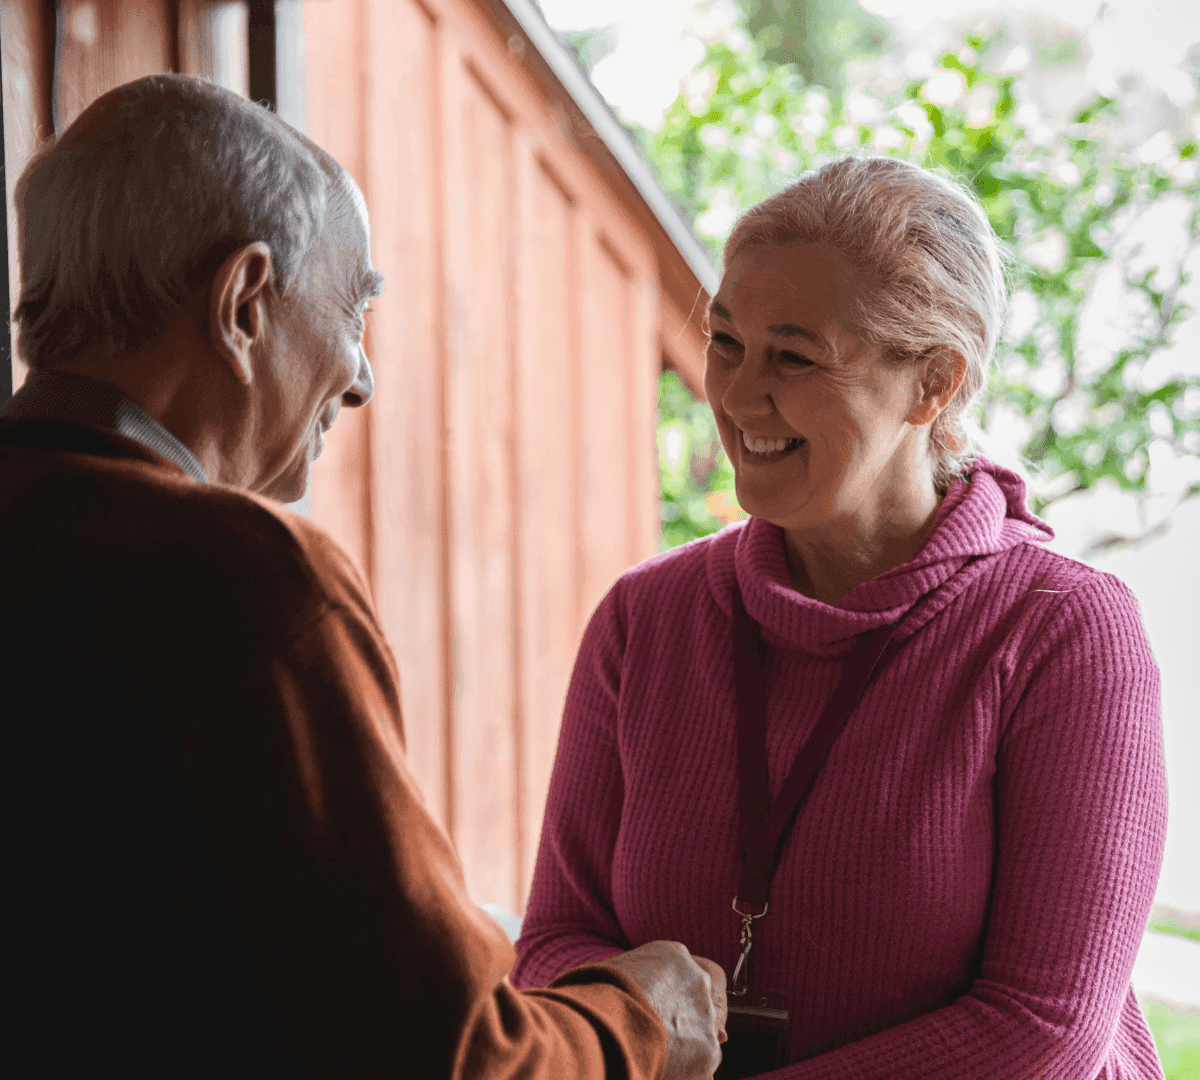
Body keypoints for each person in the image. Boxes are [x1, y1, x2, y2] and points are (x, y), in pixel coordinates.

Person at [0, 74, 727, 1077]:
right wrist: (643, 1020)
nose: (361, 376)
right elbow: (452, 1054)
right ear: (245, 301)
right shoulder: (241, 582)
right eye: (352, 310)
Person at [512, 156, 1169, 1078]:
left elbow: (1044, 1030)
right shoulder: (643, 619)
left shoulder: (1064, 632)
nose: (738, 398)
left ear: (935, 383)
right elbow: (557, 939)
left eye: (793, 356)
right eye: (727, 341)